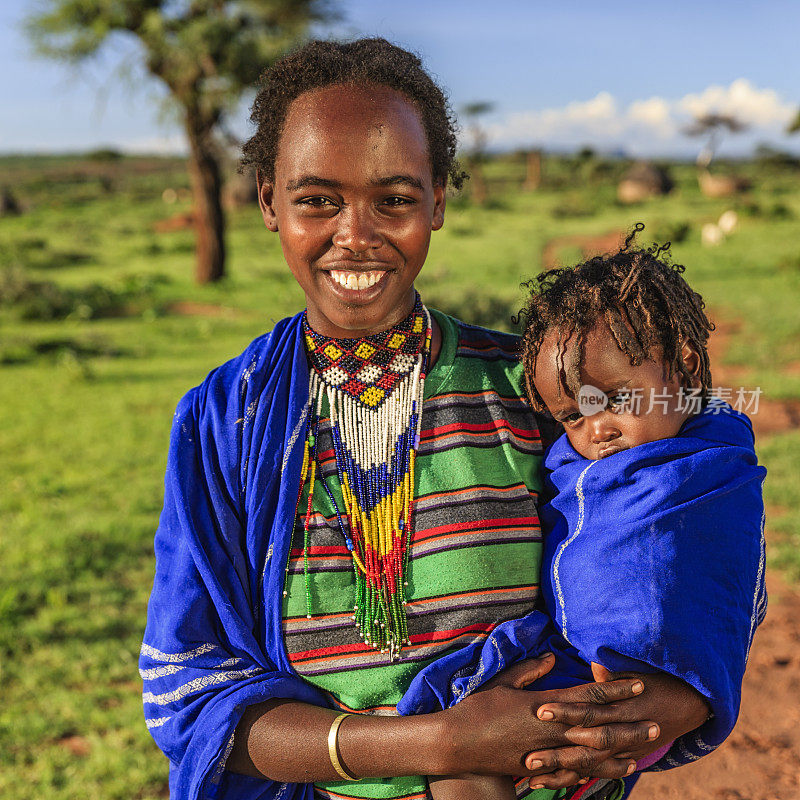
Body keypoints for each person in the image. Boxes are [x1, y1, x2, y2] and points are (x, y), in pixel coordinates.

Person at [140, 40, 713, 800]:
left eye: (395, 199)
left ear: (438, 200)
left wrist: (654, 706)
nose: (356, 233)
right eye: (317, 200)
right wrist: (442, 742)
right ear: (269, 202)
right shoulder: (226, 423)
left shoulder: (538, 388)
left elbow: (685, 541)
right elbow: (191, 695)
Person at [405, 235, 767, 800]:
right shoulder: (570, 461)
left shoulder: (714, 470)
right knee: (475, 754)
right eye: (572, 415)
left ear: (685, 369)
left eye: (616, 400)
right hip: (579, 670)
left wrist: (682, 690)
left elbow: (729, 586)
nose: (596, 432)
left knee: (468, 767)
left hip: (648, 691)